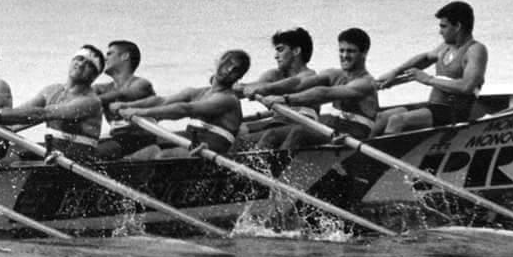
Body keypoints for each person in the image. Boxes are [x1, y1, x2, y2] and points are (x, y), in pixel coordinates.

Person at [0, 45, 106, 167]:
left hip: (77, 162)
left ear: (94, 76)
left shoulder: (90, 101)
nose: (81, 64)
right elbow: (19, 114)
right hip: (53, 155)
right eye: (79, 58)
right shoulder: (52, 90)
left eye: (89, 64)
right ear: (71, 61)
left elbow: (41, 114)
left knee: (8, 165)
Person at [253, 28, 380, 150]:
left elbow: (323, 93)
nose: (344, 55)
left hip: (352, 139)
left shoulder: (366, 83)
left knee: (299, 131)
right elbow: (298, 83)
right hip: (332, 133)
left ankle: (280, 170)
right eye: (341, 50)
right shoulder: (334, 74)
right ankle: (252, 168)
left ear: (364, 53)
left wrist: (284, 99)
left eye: (351, 51)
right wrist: (262, 89)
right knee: (272, 134)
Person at [372, 0, 488, 135]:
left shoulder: (475, 50)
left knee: (397, 120)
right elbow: (426, 58)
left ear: (457, 26)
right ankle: (357, 154)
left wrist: (428, 79)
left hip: (454, 112)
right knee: (382, 117)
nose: (440, 32)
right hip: (433, 107)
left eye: (443, 26)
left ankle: (391, 152)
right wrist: (395, 74)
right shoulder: (446, 46)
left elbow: (466, 86)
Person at [114, 49, 251, 160]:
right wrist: (127, 106)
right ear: (218, 62)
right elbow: (161, 101)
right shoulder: (197, 92)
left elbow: (185, 109)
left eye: (235, 70)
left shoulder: (227, 100)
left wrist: (139, 113)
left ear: (240, 77)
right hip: (193, 148)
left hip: (207, 157)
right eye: (227, 64)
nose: (228, 71)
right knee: (145, 152)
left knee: (160, 156)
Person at [94, 40, 155, 120]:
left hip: (144, 132)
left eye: (110, 54)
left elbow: (123, 94)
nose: (105, 58)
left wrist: (89, 99)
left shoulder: (142, 84)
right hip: (117, 132)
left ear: (125, 56)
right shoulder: (101, 88)